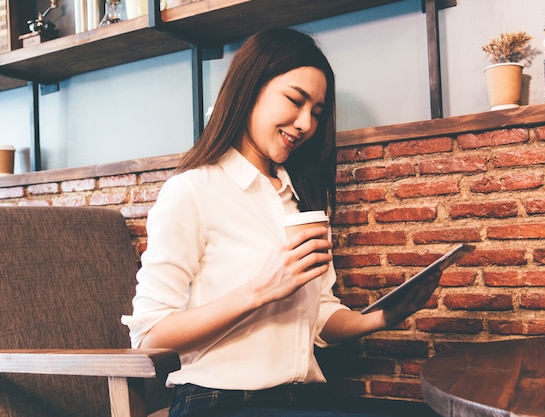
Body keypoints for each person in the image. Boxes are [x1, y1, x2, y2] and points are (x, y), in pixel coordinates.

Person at [121, 27, 439, 417]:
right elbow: (149, 336)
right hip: (217, 400)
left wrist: (377, 318)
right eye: (295, 100)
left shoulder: (297, 202)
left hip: (299, 399)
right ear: (250, 89)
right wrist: (261, 290)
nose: (305, 123)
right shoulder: (192, 190)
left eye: (317, 113)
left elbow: (320, 315)